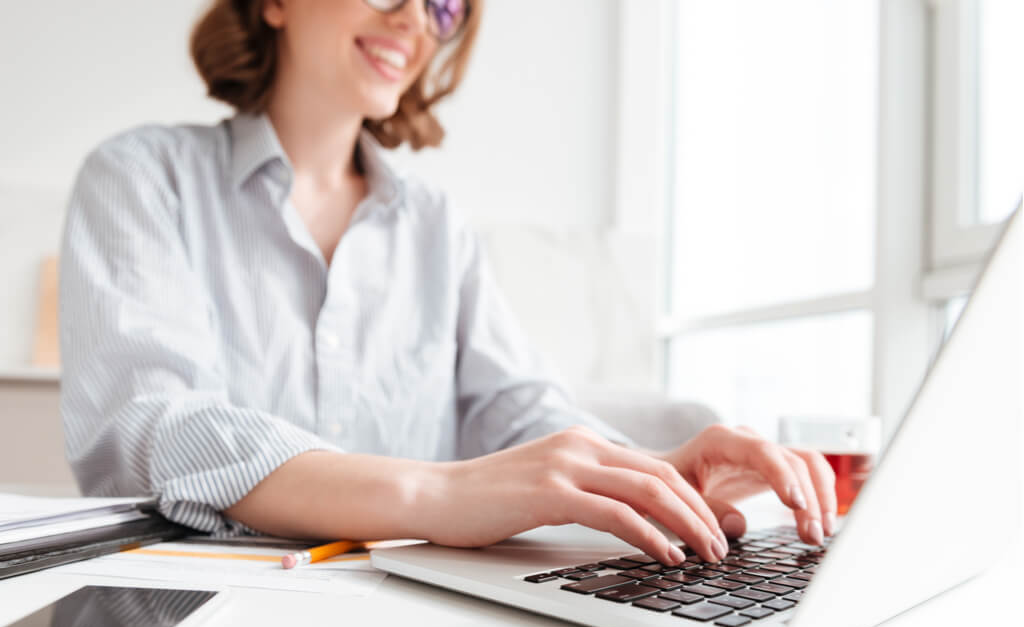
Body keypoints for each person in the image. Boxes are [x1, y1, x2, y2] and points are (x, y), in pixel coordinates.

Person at [60, 0, 836, 568]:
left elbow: (520, 410)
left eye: (442, 7)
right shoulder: (139, 178)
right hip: (204, 608)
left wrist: (649, 472)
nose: (413, 21)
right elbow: (155, 427)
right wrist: (436, 496)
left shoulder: (436, 226)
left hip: (414, 609)